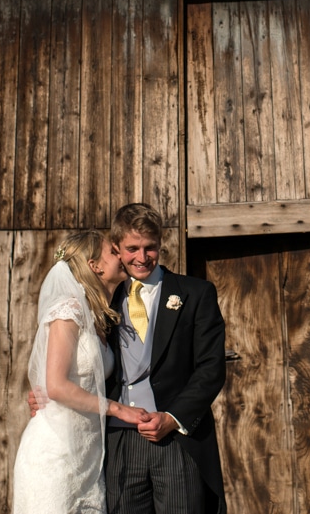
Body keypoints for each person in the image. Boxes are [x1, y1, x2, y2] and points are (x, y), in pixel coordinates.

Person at [12, 231, 149, 514]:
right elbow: (57, 386)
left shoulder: (98, 316)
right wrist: (118, 409)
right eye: (113, 252)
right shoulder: (68, 311)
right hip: (54, 456)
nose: (122, 256)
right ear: (94, 265)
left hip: (87, 456)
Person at [105, 203, 227, 514]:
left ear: (160, 245)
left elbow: (211, 368)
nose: (142, 258)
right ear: (116, 247)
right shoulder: (103, 297)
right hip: (117, 439)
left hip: (176, 440)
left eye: (150, 248)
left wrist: (172, 418)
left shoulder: (196, 293)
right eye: (132, 248)